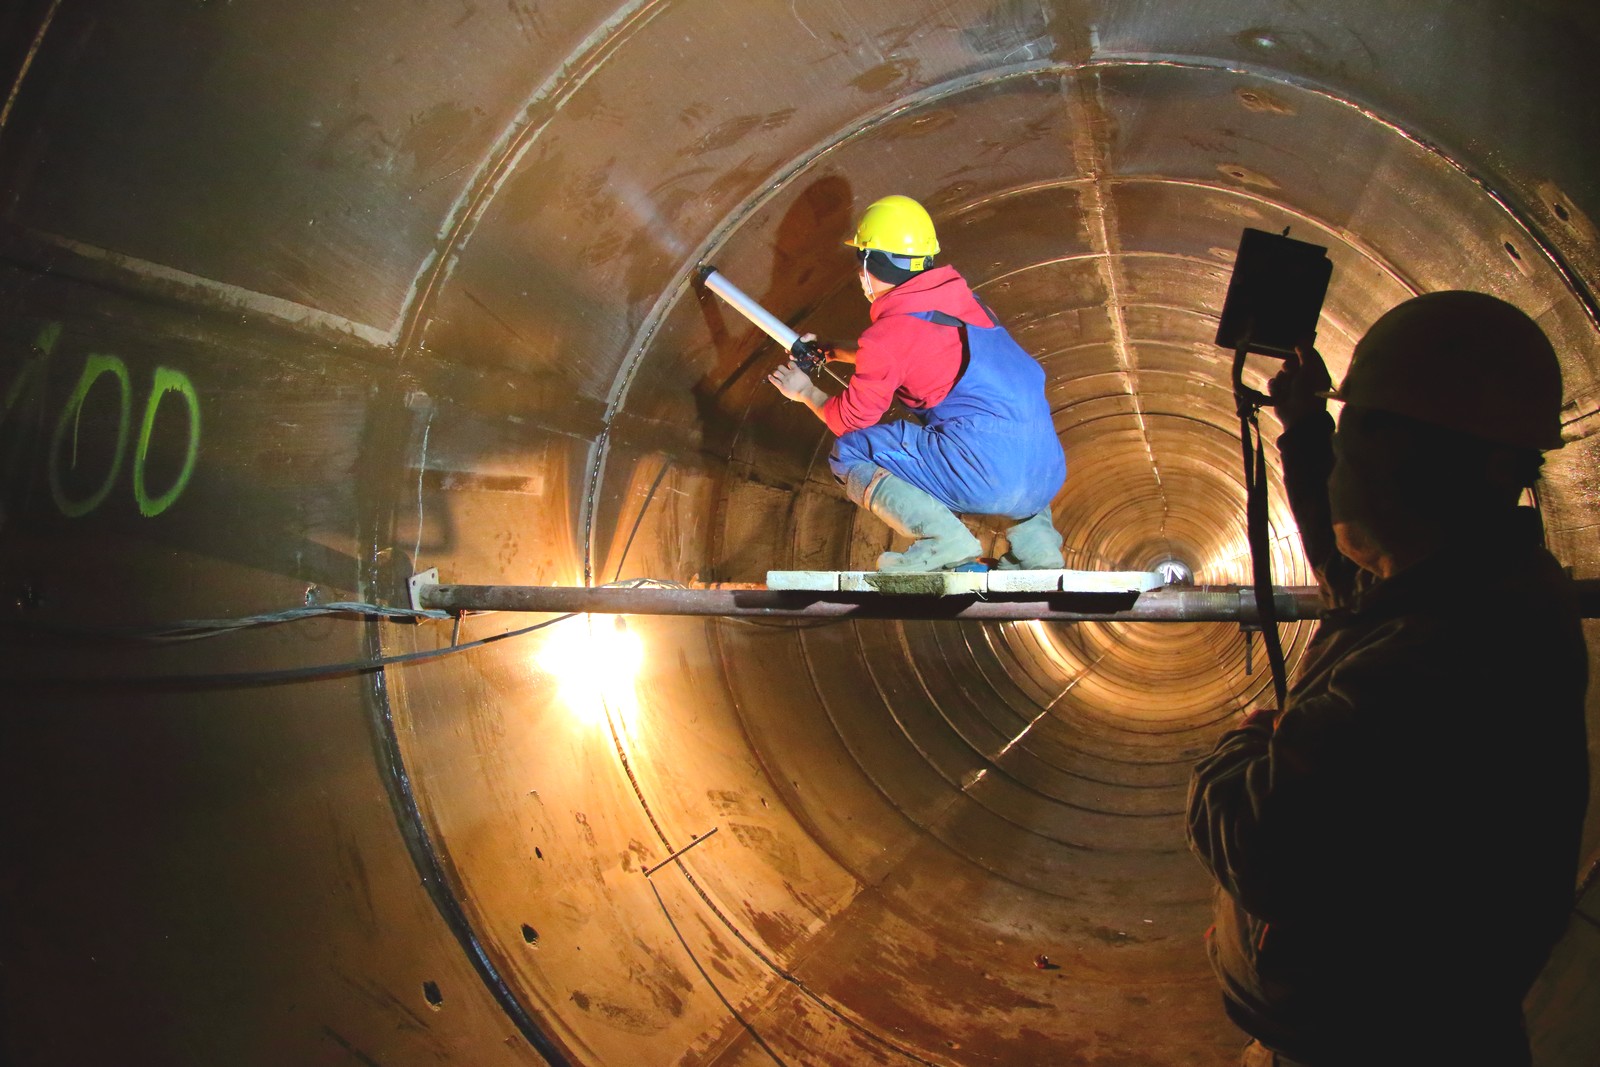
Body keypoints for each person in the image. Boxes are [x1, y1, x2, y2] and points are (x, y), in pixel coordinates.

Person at [1186, 291, 1590, 1066]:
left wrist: (1240, 749)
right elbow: (1351, 574)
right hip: (1368, 1026)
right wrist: (1305, 428)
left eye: (1365, 434)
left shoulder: (1448, 651)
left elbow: (1263, 840)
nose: (1349, 462)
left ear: (1473, 465)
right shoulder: (1467, 584)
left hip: (1371, 1040)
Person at [766, 194, 1067, 572]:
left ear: (870, 263)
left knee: (851, 451)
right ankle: (1039, 555)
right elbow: (920, 355)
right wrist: (835, 352)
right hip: (1045, 475)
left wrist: (805, 391)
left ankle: (945, 542)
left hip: (989, 473)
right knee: (1014, 448)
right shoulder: (968, 305)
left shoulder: (888, 336)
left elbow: (852, 419)